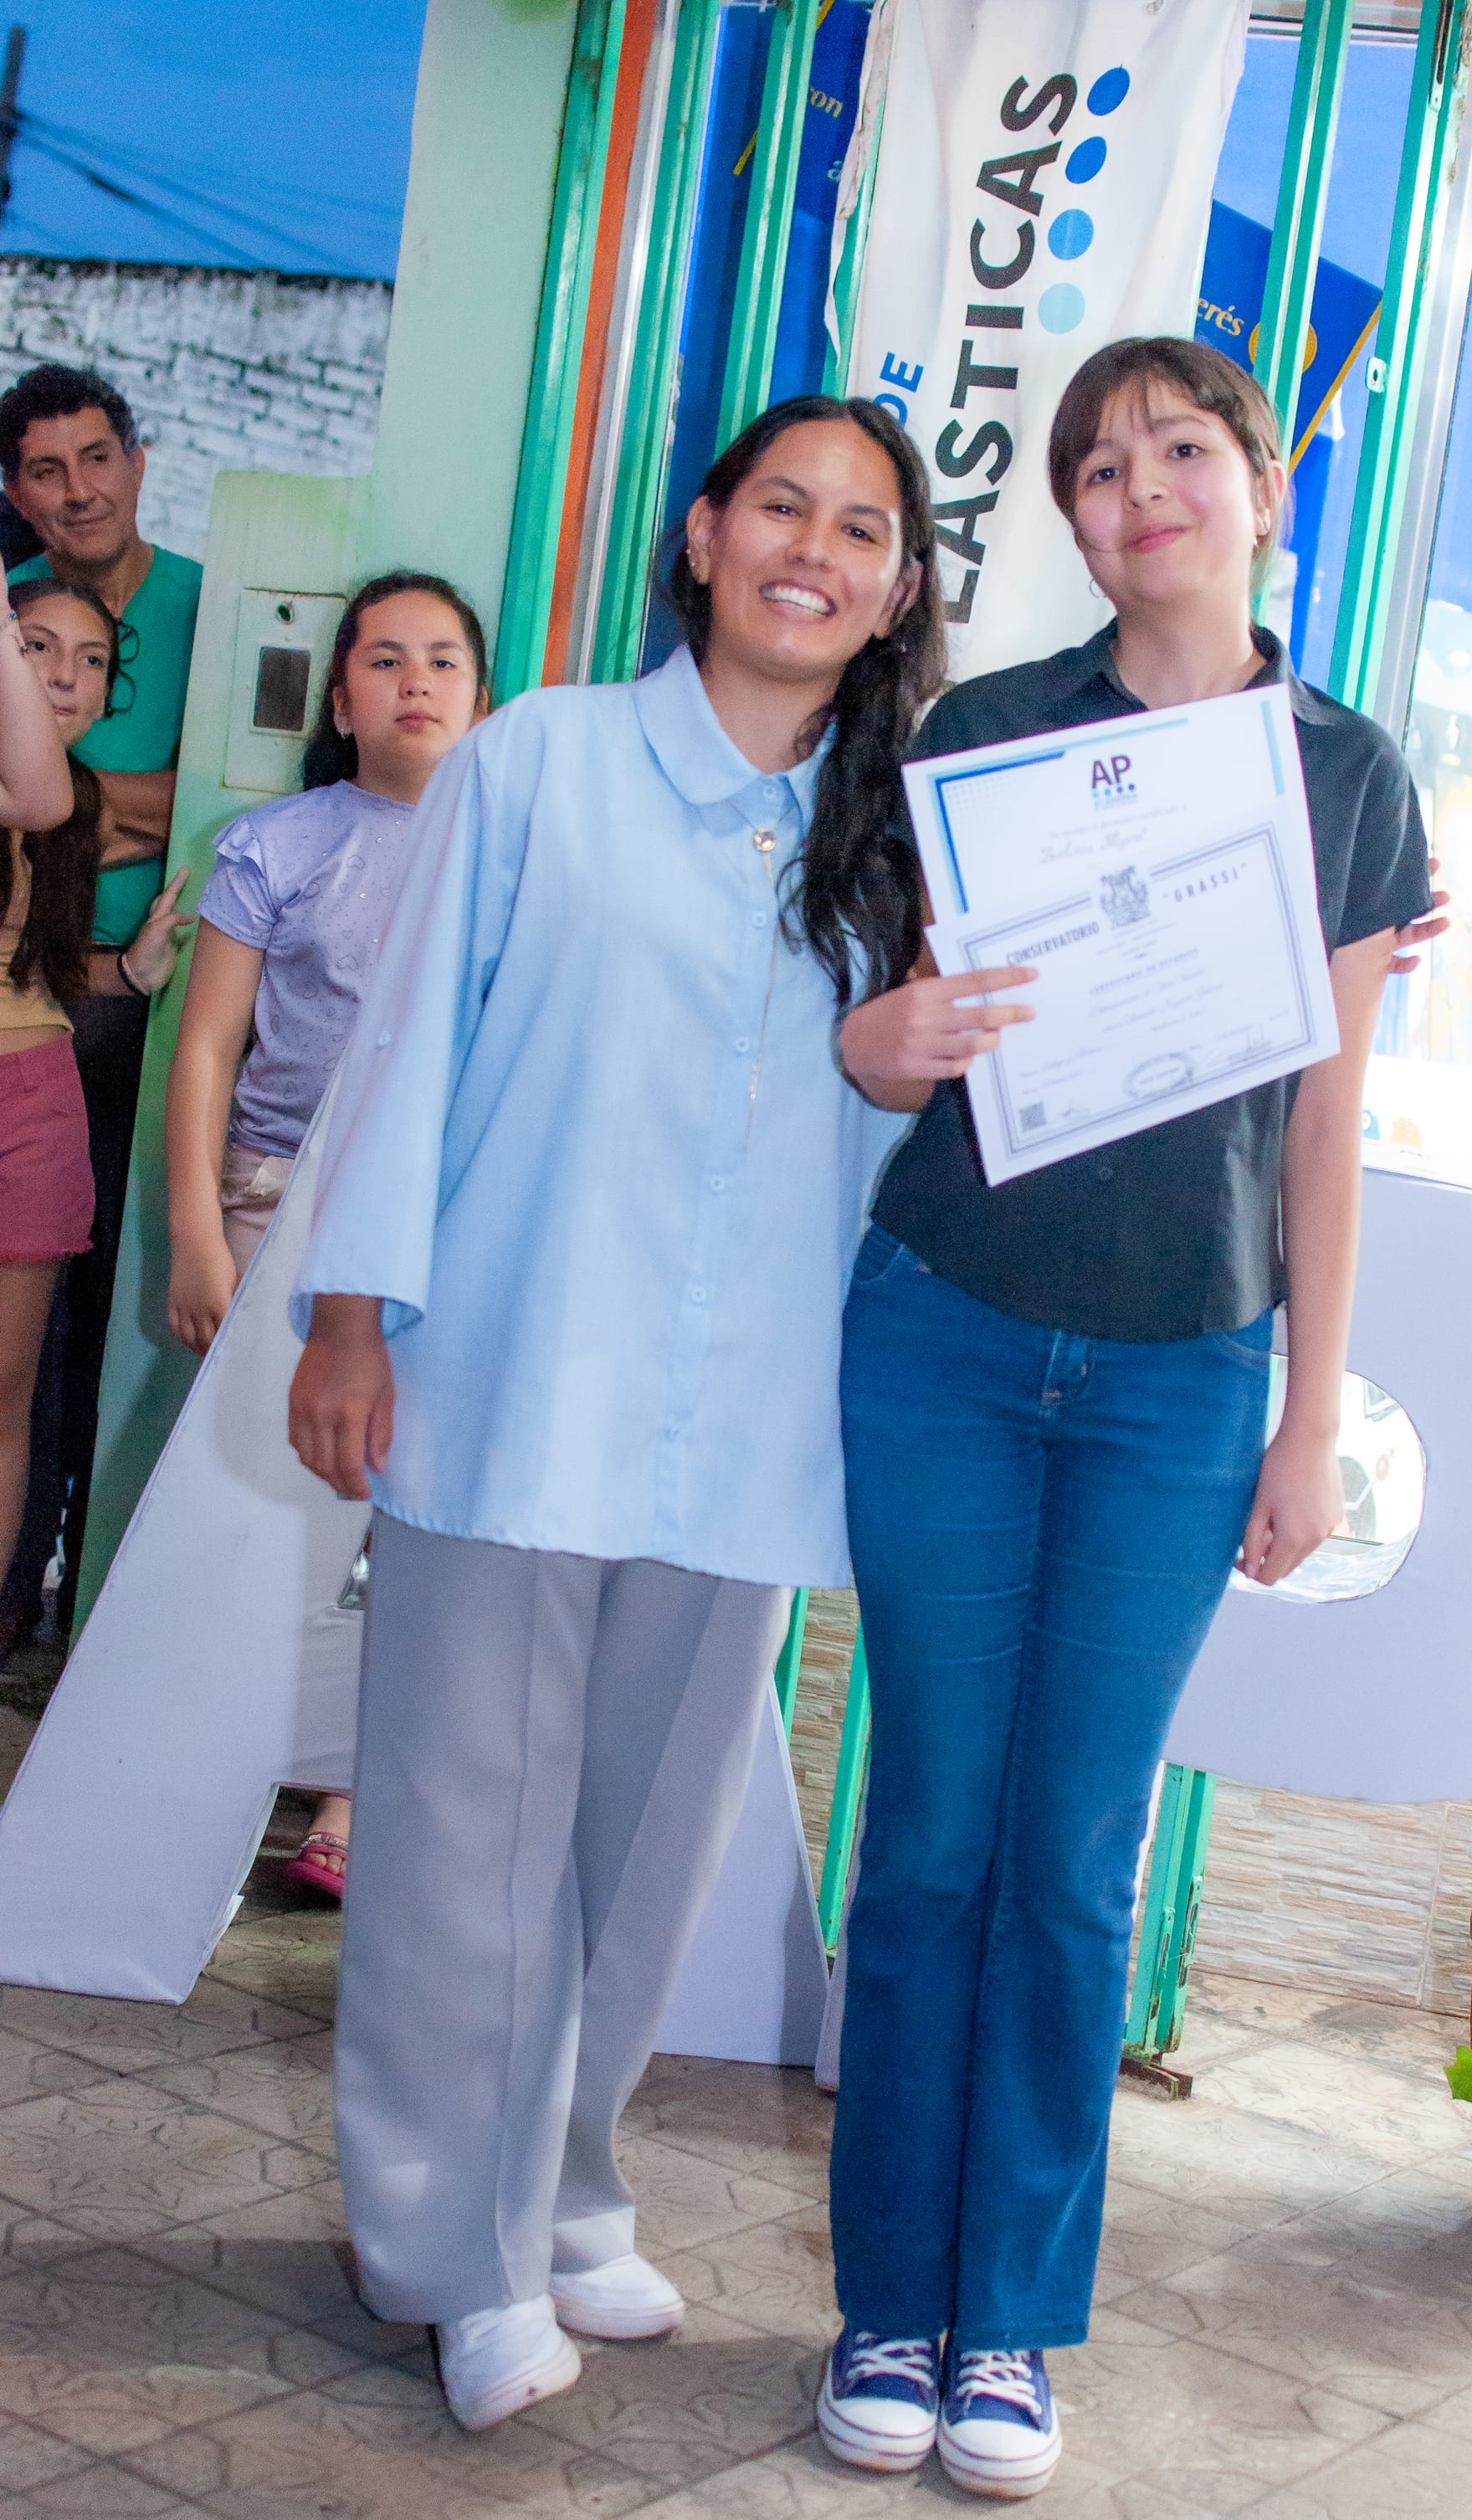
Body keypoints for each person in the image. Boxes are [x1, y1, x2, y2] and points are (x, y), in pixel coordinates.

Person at [280, 394, 939, 2432]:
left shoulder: (905, 837)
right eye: (780, 507)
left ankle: (562, 2186)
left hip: (750, 1418)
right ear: (703, 534)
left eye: (861, 529)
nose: (813, 549)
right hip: (509, 1377)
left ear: (898, 590)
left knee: (646, 1848)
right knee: (461, 1852)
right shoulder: (538, 762)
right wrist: (351, 1318)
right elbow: (406, 1048)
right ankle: (456, 2256)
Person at [815, 338, 1435, 2500]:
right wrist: (886, 1042)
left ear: (1262, 484)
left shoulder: (1349, 775)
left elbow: (1326, 1123)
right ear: (1070, 520)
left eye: (1181, 447)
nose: (1141, 485)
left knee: (1075, 1862)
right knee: (930, 1836)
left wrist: (1307, 1413)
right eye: (1097, 463)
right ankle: (886, 2302)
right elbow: (900, 1025)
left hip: (1182, 1378)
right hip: (949, 1333)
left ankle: (1006, 2322)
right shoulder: (984, 732)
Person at [165, 572, 490, 1897]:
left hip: (438, 1231)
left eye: (445, 660)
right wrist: (199, 1235)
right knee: (254, 1504)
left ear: (482, 700)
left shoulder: (514, 852)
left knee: (388, 1518)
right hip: (271, 1205)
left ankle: (349, 1792)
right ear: (342, 699)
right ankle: (212, 1778)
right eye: (386, 658)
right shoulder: (276, 845)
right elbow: (205, 1050)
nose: (417, 680)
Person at [0, 364, 204, 1650]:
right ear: (15, 492)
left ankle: (78, 1604)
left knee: (100, 1316)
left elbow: (214, 796)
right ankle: (18, 1594)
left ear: (136, 461)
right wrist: (118, 806)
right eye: (45, 468)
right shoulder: (16, 604)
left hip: (132, 996)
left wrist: (82, 803)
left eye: (95, 457)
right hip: (40, 992)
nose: (77, 489)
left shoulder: (206, 600)